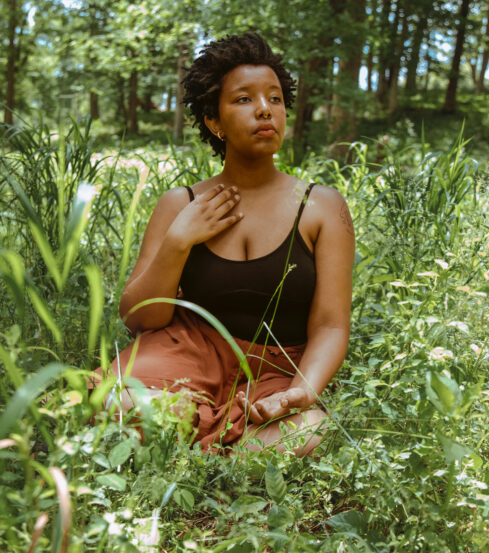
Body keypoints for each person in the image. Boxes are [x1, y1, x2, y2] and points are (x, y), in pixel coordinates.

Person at [98, 33, 354, 456]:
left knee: (309, 432)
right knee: (122, 402)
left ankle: (186, 442)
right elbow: (140, 319)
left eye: (274, 98)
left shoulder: (321, 206)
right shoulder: (181, 203)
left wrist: (302, 391)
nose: (264, 109)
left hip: (277, 365)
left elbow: (330, 324)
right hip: (187, 350)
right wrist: (179, 240)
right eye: (243, 100)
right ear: (214, 122)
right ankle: (231, 447)